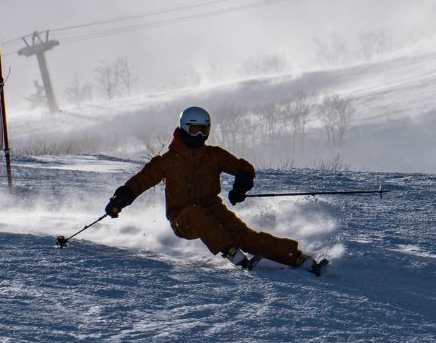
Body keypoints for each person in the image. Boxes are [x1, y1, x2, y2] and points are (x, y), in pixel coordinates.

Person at [105, 106, 325, 274]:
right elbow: (140, 182)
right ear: (184, 129)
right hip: (183, 218)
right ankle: (229, 250)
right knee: (195, 213)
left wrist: (240, 186)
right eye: (195, 130)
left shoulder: (213, 155)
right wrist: (119, 200)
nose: (200, 136)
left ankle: (296, 257)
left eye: (204, 131)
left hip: (214, 210)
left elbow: (243, 168)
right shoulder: (166, 161)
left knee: (245, 236)